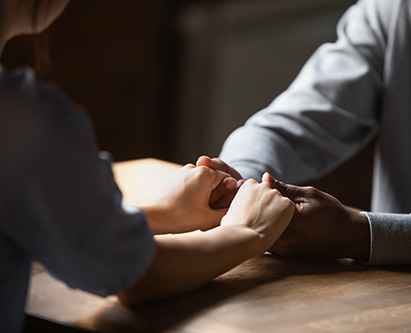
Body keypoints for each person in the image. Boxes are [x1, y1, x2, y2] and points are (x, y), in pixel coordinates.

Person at [0, 1, 295, 331]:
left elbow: (36, 220)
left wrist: (161, 215)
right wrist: (248, 231)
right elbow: (127, 273)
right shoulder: (24, 120)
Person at [198, 0, 411, 269]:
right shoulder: (398, 9)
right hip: (392, 290)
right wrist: (238, 181)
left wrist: (361, 234)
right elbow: (300, 118)